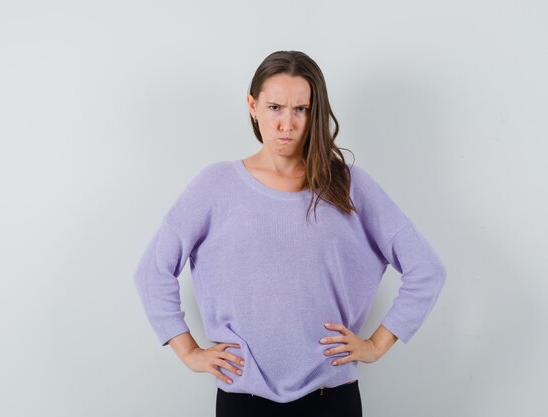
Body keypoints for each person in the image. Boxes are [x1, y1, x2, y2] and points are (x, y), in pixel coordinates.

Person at [133, 50, 447, 417]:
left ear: (315, 113)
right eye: (275, 107)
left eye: (301, 109)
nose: (287, 124)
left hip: (330, 397)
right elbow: (152, 272)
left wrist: (376, 344)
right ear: (252, 106)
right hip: (243, 398)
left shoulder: (346, 185)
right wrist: (188, 351)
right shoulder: (214, 186)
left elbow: (426, 269)